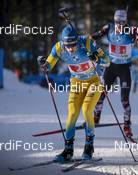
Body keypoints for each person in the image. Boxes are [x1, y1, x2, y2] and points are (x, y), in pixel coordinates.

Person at [40, 25, 110, 162]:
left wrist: (96, 58)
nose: (71, 48)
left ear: (77, 41)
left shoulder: (87, 43)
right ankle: (68, 150)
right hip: (76, 83)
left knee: (87, 109)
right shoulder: (59, 48)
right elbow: (49, 64)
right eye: (68, 45)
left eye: (73, 45)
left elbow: (107, 61)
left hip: (94, 82)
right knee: (72, 113)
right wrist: (44, 64)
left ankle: (89, 147)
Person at [90, 10, 138, 137]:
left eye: (122, 22)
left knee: (124, 100)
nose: (119, 24)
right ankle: (96, 118)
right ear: (114, 20)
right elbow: (93, 36)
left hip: (124, 69)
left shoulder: (131, 30)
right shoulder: (109, 27)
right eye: (117, 21)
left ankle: (127, 126)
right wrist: (88, 41)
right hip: (110, 67)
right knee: (100, 95)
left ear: (126, 21)